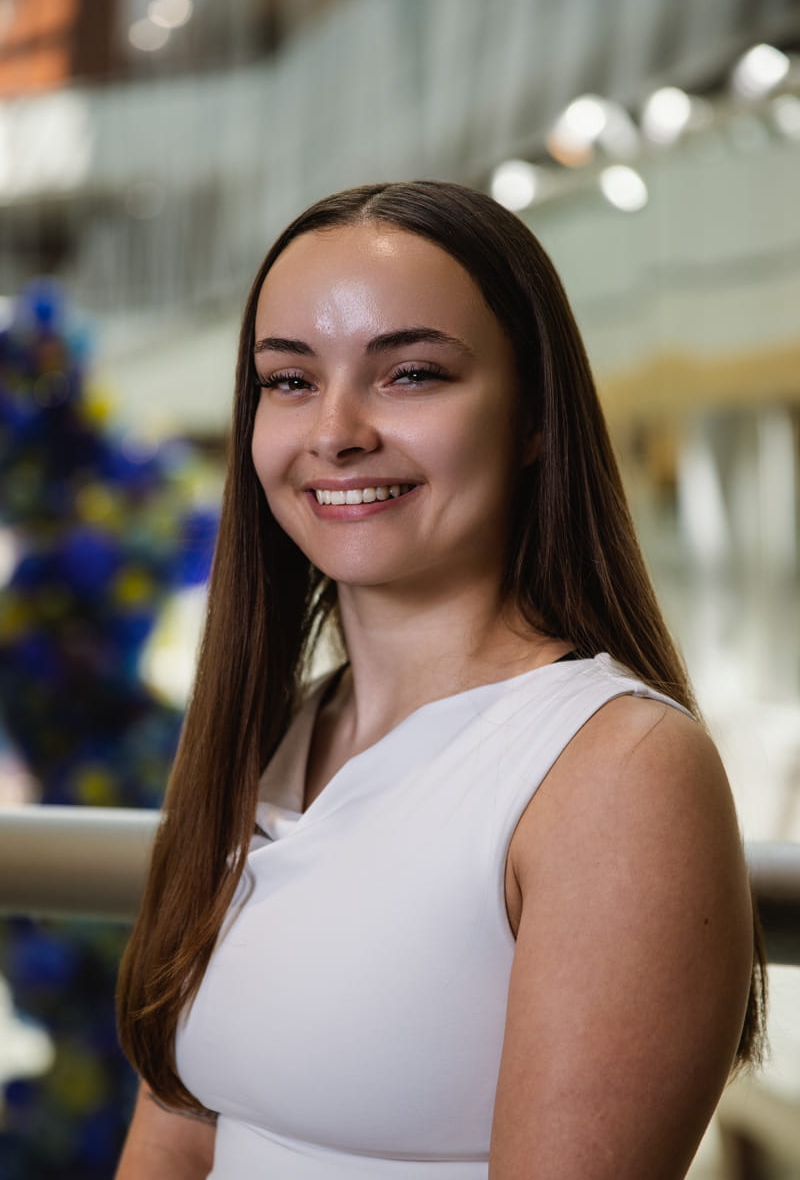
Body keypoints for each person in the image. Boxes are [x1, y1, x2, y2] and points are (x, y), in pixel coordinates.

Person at [115, 180, 766, 1179]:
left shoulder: (616, 772)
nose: (334, 431)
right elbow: (174, 1139)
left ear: (535, 417)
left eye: (409, 374)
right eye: (287, 381)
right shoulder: (270, 736)